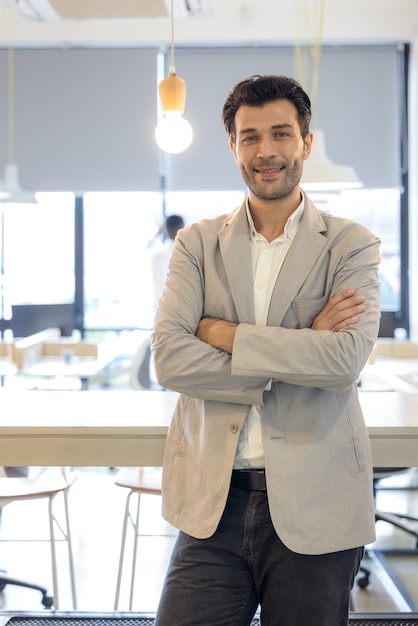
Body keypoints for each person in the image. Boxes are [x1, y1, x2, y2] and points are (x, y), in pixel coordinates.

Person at [152, 75, 381, 626]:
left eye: (281, 134)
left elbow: (343, 361)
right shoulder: (198, 243)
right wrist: (292, 360)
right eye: (249, 137)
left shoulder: (351, 244)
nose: (266, 151)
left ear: (306, 140)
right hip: (214, 502)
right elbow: (170, 358)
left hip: (318, 501)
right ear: (233, 146)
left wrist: (226, 335)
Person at [151, 214, 185, 311]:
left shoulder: (156, 257)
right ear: (182, 227)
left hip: (161, 312)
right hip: (180, 312)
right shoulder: (186, 253)